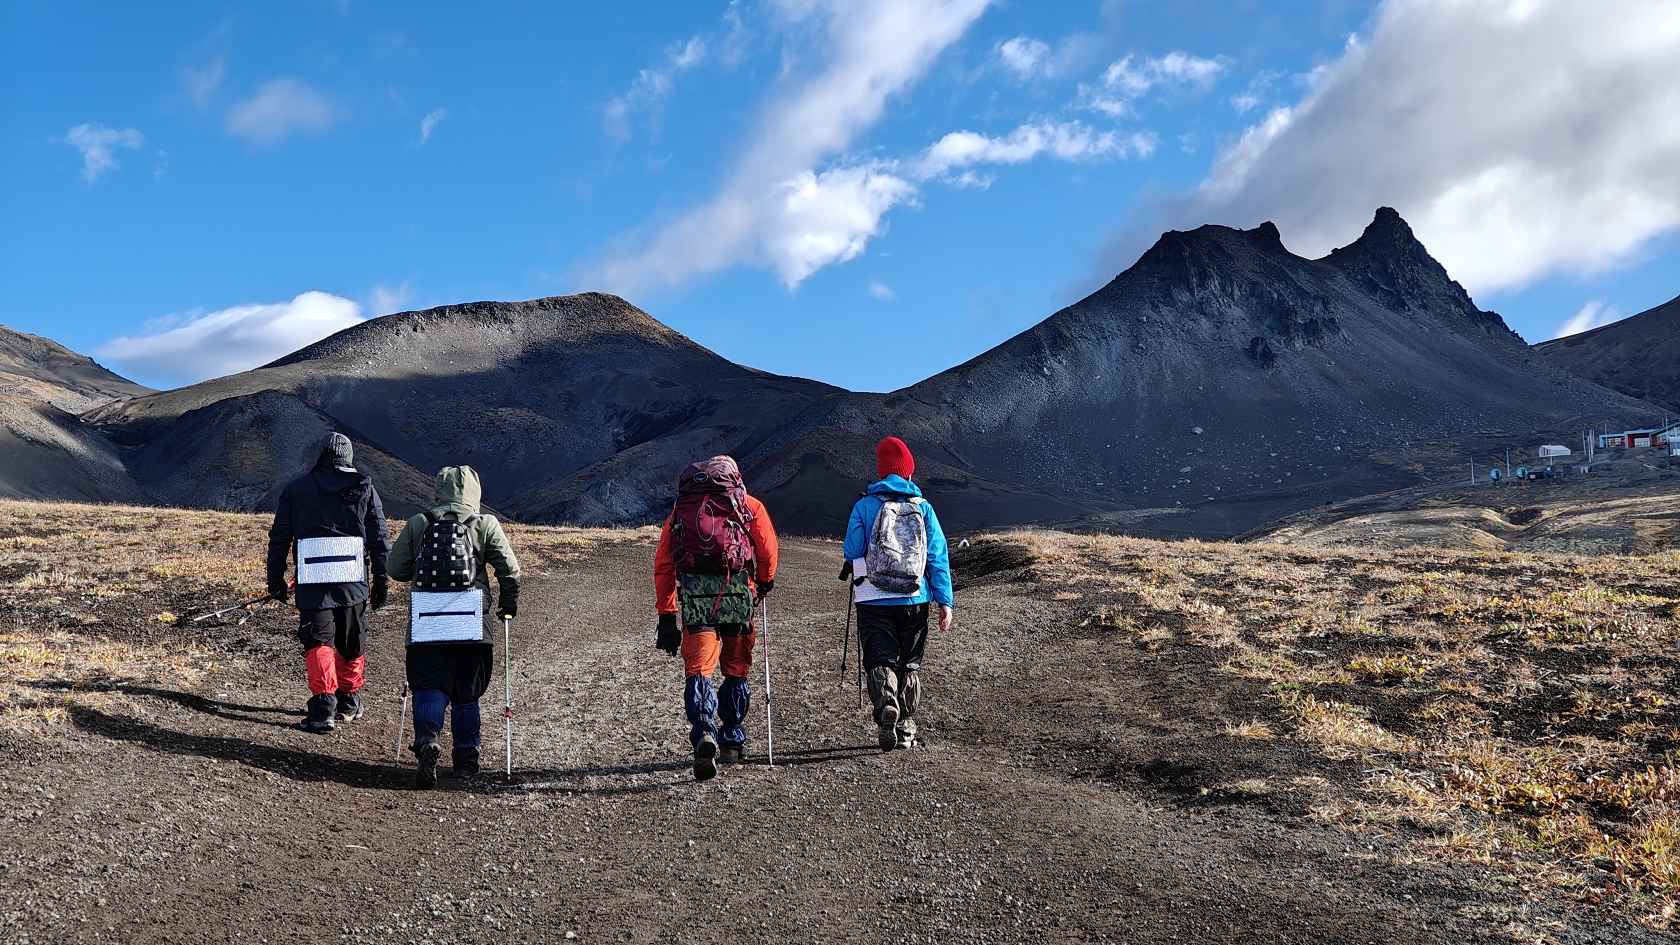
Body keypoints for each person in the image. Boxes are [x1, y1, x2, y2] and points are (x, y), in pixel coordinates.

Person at [387, 466, 521, 788]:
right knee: (466, 693)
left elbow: (395, 569)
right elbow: (510, 572)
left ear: (438, 490)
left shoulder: (420, 523)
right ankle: (464, 762)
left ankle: (429, 740)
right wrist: (508, 605)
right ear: (475, 493)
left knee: (429, 685)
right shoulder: (485, 524)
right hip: (472, 619)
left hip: (426, 620)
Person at [653, 455, 778, 781]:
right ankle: (732, 741)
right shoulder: (749, 506)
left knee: (699, 670)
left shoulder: (681, 511)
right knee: (736, 669)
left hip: (696, 599)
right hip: (738, 594)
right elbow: (766, 549)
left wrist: (667, 615)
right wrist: (763, 582)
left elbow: (664, 564)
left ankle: (704, 731)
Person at [266, 433, 391, 734]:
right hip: (353, 580)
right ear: (348, 457)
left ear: (321, 455)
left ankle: (323, 709)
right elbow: (379, 539)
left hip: (313, 580)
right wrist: (381, 581)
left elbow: (280, 537)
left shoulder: (296, 490)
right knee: (351, 640)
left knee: (319, 641)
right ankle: (349, 701)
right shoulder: (365, 487)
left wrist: (275, 580)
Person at [843, 436, 954, 751]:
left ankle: (885, 703)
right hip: (915, 598)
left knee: (879, 657)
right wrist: (945, 601)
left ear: (881, 472)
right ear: (908, 472)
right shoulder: (924, 508)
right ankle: (905, 730)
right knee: (909, 663)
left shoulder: (864, 505)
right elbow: (937, 557)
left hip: (872, 597)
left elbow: (852, 550)